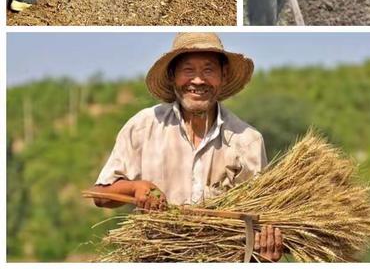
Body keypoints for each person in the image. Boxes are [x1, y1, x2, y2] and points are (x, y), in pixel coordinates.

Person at [91, 32, 284, 262]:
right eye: (188, 70)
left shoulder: (248, 141)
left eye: (208, 70)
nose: (198, 80)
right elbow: (99, 195)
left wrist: (266, 256)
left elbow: (258, 221)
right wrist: (136, 188)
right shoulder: (143, 127)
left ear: (222, 76)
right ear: (173, 76)